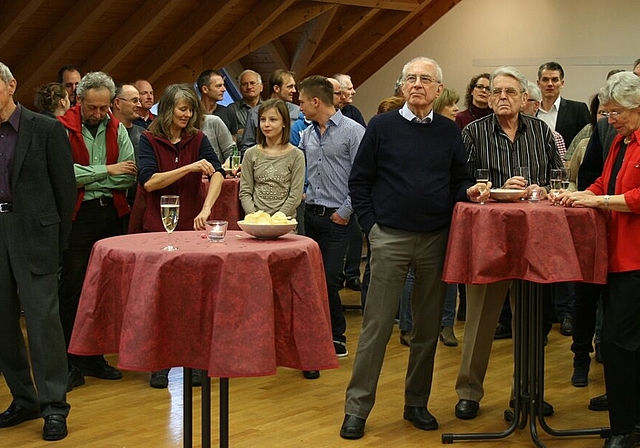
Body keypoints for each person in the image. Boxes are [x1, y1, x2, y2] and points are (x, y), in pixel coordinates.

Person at [340, 57, 485, 440]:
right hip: (389, 236)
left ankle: (416, 403)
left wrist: (467, 191)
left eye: (426, 79)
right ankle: (357, 408)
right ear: (401, 87)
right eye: (411, 79)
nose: (418, 85)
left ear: (439, 89)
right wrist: (371, 227)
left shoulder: (449, 131)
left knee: (426, 329)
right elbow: (360, 181)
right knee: (376, 327)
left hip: (436, 238)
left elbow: (458, 179)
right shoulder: (381, 126)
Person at [454, 66, 563, 421]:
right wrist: (492, 189)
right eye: (496, 91)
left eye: (509, 92)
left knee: (530, 319)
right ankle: (469, 392)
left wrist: (539, 188)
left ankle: (527, 391)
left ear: (524, 98)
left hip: (534, 239)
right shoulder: (472, 133)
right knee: (481, 318)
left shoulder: (542, 132)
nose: (502, 97)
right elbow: (463, 181)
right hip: (489, 238)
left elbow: (555, 178)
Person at [553, 71, 640, 448]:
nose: (608, 118)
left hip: (636, 260)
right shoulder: (620, 142)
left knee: (619, 342)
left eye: (615, 111)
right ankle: (626, 414)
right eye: (606, 111)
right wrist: (576, 195)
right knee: (619, 343)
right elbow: (604, 183)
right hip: (616, 256)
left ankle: (625, 428)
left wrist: (598, 201)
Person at [0, 61, 76, 441]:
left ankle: (54, 406)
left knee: (44, 322)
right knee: (2, 321)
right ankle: (24, 398)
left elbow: (65, 190)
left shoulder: (45, 128)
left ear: (11, 85)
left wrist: (58, 240)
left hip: (36, 233)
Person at [137, 83, 225, 388]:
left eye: (190, 109)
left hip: (191, 225)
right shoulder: (148, 139)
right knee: (162, 296)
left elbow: (217, 173)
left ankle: (195, 361)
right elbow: (149, 182)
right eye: (182, 108)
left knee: (194, 296)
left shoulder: (198, 138)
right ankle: (160, 362)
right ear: (167, 110)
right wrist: (188, 168)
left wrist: (207, 207)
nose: (187, 114)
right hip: (156, 227)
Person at [57, 71, 137, 392]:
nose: (99, 114)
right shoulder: (63, 127)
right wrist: (107, 170)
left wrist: (91, 176)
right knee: (74, 289)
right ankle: (70, 360)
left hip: (110, 214)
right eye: (92, 108)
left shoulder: (116, 128)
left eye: (104, 108)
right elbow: (64, 174)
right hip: (78, 216)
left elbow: (129, 175)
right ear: (80, 101)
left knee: (104, 289)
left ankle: (95, 356)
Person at [298, 75, 365, 364]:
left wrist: (345, 212)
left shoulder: (353, 132)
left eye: (301, 101)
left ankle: (337, 334)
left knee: (329, 279)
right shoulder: (307, 134)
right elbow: (301, 168)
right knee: (311, 281)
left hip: (337, 219)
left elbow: (362, 177)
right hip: (310, 217)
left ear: (316, 101)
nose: (299, 107)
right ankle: (315, 334)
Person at [239, 98, 305, 218]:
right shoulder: (250, 154)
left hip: (284, 223)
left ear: (284, 122)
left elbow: (295, 195)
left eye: (273, 120)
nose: (266, 124)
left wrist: (277, 218)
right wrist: (255, 217)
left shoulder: (296, 155)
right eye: (262, 120)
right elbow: (245, 192)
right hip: (255, 223)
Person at [536, 61, 590, 156]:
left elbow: (587, 141)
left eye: (555, 80)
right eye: (545, 80)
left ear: (562, 83)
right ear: (538, 83)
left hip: (567, 167)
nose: (550, 84)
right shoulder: (530, 111)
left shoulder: (578, 110)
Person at [239, 69, 299, 152]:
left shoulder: (298, 112)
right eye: (289, 87)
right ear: (276, 88)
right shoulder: (254, 113)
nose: (294, 90)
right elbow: (246, 147)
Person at [196, 69, 239, 139]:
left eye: (223, 85)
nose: (224, 89)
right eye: (219, 86)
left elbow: (234, 139)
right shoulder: (191, 113)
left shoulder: (228, 113)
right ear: (205, 89)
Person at [229, 69, 263, 139]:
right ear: (240, 88)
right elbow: (230, 137)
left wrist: (244, 132)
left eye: (252, 83)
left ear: (261, 87)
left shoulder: (269, 108)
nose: (249, 87)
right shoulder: (231, 110)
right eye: (244, 84)